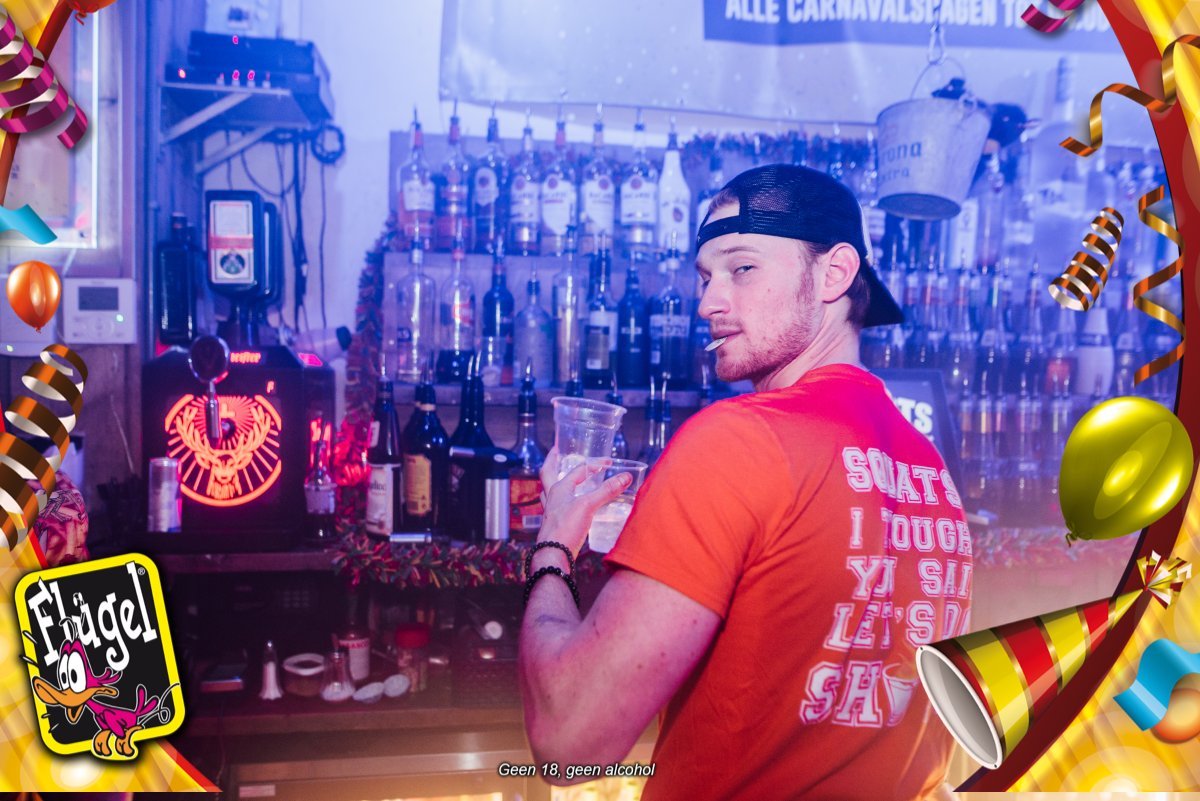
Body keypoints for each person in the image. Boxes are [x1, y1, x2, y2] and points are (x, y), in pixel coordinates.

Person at [519, 164, 972, 800]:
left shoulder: (739, 440)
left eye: (743, 268)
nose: (708, 303)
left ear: (834, 274)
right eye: (706, 278)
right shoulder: (930, 472)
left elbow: (572, 742)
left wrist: (553, 546)